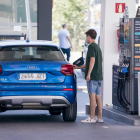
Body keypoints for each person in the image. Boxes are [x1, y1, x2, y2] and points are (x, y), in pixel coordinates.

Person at [73, 29, 103, 123]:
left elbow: (92, 60)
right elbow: (89, 62)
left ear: (89, 37)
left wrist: (88, 74)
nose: (86, 39)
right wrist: (78, 67)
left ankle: (92, 118)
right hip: (98, 76)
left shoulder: (91, 47)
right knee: (98, 96)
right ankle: (99, 117)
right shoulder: (97, 47)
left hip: (93, 76)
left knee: (91, 96)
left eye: (86, 37)